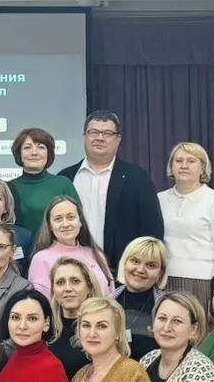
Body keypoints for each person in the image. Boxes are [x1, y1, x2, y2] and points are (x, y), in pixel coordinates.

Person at [58, 110, 164, 269]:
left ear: (118, 139)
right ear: (84, 137)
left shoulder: (137, 178)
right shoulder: (66, 178)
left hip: (123, 270)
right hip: (71, 268)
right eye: (94, 132)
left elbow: (151, 229)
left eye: (107, 133)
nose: (99, 138)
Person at [156, 142, 214, 300]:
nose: (184, 166)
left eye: (191, 161)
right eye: (179, 161)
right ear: (171, 167)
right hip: (163, 280)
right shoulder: (159, 199)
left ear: (203, 168)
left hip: (203, 281)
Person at [28, 195, 114, 297]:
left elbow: (111, 294)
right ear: (50, 225)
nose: (65, 224)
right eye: (58, 219)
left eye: (71, 217)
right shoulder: (41, 259)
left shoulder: (96, 254)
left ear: (80, 221)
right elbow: (42, 302)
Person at [7, 126, 80, 236]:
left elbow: (77, 223)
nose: (34, 153)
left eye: (41, 147)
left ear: (48, 153)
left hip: (57, 246)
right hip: (18, 246)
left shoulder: (63, 184)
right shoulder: (8, 188)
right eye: (27, 147)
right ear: (19, 153)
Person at [110, 236, 170, 360]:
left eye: (151, 265)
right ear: (124, 262)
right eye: (135, 261)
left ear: (160, 272)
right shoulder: (106, 303)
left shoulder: (168, 307)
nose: (140, 270)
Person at [46, 256, 101, 382]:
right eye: (60, 282)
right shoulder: (45, 326)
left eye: (75, 281)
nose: (67, 289)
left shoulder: (103, 327)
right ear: (53, 289)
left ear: (89, 286)